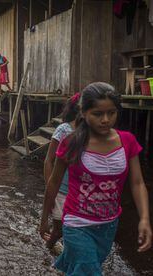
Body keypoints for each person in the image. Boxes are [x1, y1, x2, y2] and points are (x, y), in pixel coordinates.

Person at [40, 82, 151, 275]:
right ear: (83, 112)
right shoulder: (71, 143)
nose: (106, 120)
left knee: (86, 266)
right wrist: (44, 219)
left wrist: (144, 218)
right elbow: (54, 182)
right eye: (98, 114)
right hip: (76, 222)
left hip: (108, 224)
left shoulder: (127, 141)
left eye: (111, 113)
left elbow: (137, 182)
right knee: (89, 269)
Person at [43, 92, 80, 250]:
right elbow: (48, 161)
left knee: (75, 229)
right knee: (58, 230)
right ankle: (49, 247)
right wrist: (50, 188)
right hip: (61, 189)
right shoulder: (64, 129)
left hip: (79, 191)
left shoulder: (92, 133)